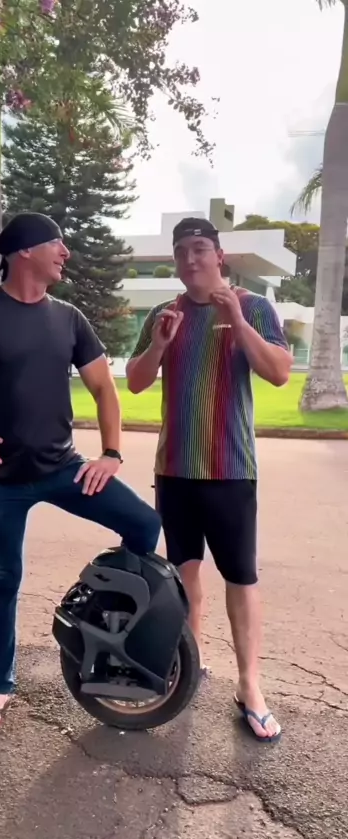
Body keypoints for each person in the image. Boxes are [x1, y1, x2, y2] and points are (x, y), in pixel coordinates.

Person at [0, 212, 161, 736]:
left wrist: (111, 453)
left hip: (63, 468)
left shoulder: (69, 318)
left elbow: (104, 388)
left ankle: (103, 615)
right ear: (24, 252)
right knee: (3, 582)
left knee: (143, 524)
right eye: (56, 243)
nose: (65, 252)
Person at [126, 217, 293, 743]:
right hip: (174, 469)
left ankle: (249, 686)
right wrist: (159, 345)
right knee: (184, 575)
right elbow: (135, 382)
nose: (190, 259)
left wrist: (237, 322)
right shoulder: (163, 313)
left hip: (230, 469)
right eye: (181, 251)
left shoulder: (254, 306)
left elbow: (279, 372)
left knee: (240, 577)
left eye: (200, 248)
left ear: (219, 256)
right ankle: (189, 668)